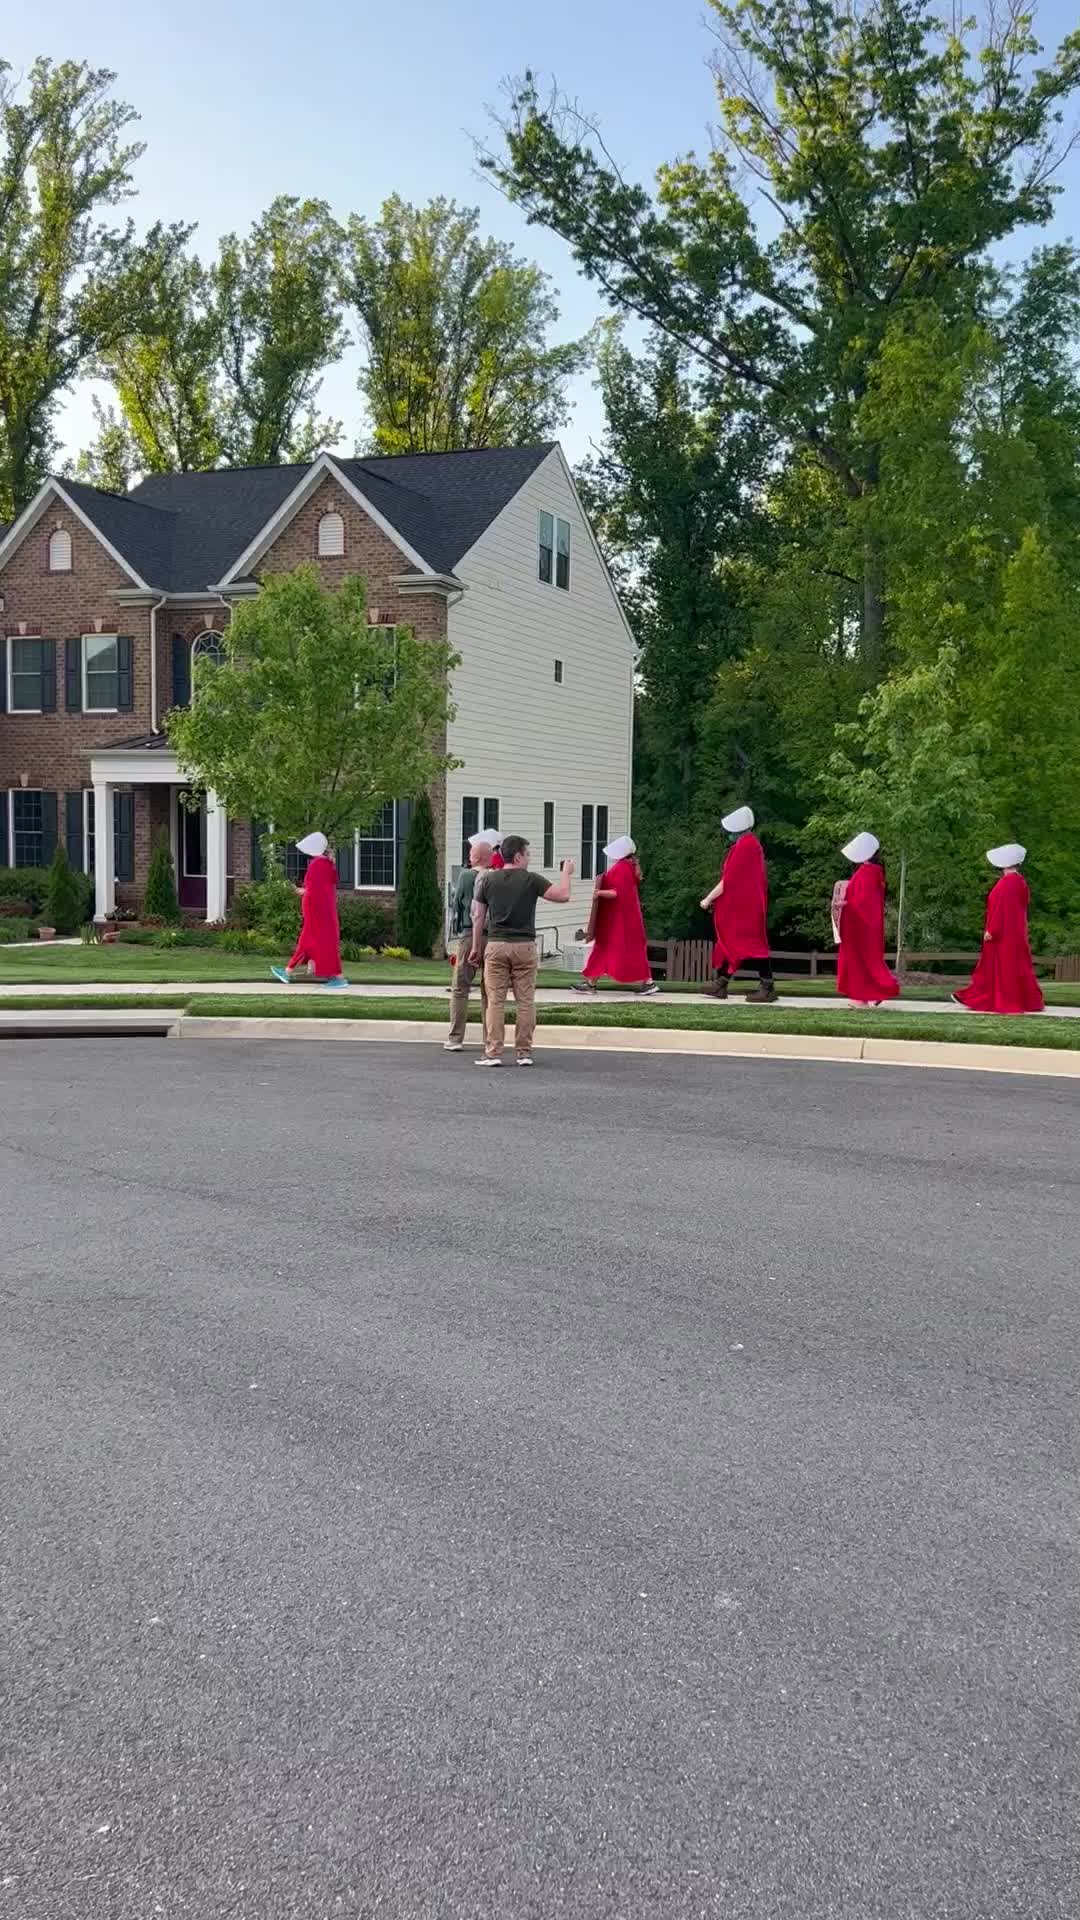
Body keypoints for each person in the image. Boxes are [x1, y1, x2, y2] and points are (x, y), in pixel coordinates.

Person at [469, 834, 574, 1065]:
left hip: (496, 945)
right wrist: (566, 872)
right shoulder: (531, 880)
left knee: (495, 1001)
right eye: (527, 854)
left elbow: (478, 916)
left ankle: (493, 1052)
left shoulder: (488, 880)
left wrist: (476, 947)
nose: (528, 859)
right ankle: (524, 1052)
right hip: (525, 946)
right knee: (525, 1000)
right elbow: (563, 895)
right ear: (518, 856)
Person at [953, 844, 1044, 1014]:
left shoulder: (1008, 883)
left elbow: (1002, 908)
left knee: (1000, 967)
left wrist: (992, 929)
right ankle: (1026, 1000)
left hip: (1004, 934)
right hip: (1015, 932)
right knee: (1017, 966)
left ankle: (987, 998)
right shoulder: (1020, 882)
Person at [700, 806, 777, 1004]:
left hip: (745, 908)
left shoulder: (746, 847)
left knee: (752, 945)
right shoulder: (750, 844)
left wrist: (708, 898)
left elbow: (729, 881)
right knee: (731, 943)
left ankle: (767, 987)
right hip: (748, 906)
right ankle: (721, 983)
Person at [572, 835, 657, 995]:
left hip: (619, 920)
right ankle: (592, 982)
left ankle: (647, 982)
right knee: (621, 949)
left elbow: (618, 893)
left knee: (608, 948)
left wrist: (599, 893)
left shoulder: (621, 868)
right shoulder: (629, 867)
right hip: (625, 918)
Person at [271, 832, 347, 987]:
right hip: (324, 912)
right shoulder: (327, 864)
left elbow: (312, 891)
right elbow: (322, 888)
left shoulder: (316, 865)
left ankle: (337, 978)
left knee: (311, 943)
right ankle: (288, 971)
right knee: (314, 944)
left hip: (317, 913)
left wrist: (299, 891)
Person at [444, 831, 496, 1051]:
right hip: (493, 936)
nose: (469, 856)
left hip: (469, 934)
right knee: (490, 990)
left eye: (472, 853)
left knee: (460, 988)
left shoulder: (466, 876)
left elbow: (458, 904)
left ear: (478, 857)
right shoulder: (497, 876)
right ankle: (489, 1038)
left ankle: (456, 1038)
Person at [835, 832, 900, 1007]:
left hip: (858, 925)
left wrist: (844, 904)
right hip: (865, 925)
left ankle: (863, 997)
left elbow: (862, 902)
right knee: (867, 960)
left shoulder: (867, 872)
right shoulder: (873, 872)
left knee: (858, 961)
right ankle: (873, 992)